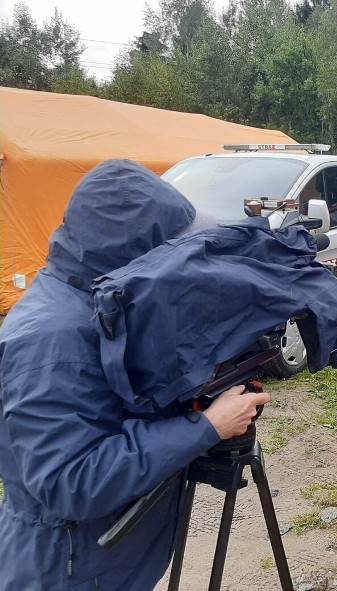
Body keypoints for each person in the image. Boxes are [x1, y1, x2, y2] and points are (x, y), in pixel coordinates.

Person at [0, 160, 270, 590]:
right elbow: (69, 481)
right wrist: (206, 427)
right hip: (69, 572)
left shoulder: (94, 301)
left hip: (105, 563)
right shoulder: (51, 344)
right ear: (133, 252)